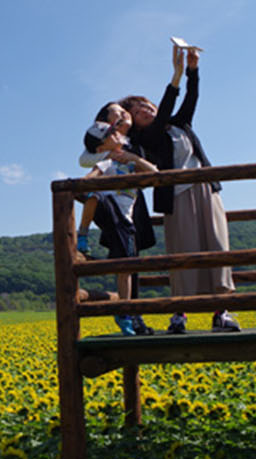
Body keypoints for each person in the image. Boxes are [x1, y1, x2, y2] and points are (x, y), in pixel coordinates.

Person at [121, 45, 236, 333]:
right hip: (177, 195)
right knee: (183, 251)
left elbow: (191, 97)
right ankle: (179, 314)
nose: (147, 110)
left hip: (206, 188)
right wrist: (175, 75)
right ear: (133, 121)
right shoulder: (147, 138)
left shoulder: (180, 125)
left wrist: (192, 69)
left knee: (217, 246)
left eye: (147, 105)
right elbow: (160, 120)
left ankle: (221, 313)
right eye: (138, 110)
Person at [75, 102, 159, 335]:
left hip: (130, 214)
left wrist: (130, 157)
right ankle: (82, 235)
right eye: (117, 112)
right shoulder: (104, 153)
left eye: (125, 111)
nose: (123, 114)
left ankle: (128, 313)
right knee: (96, 195)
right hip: (111, 207)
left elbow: (153, 173)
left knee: (128, 265)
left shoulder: (132, 145)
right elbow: (88, 169)